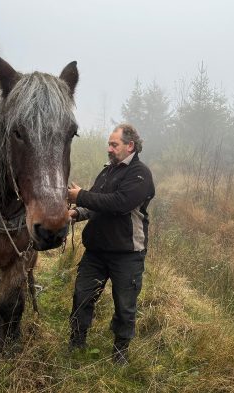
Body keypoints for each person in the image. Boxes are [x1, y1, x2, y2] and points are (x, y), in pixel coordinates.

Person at [67, 123, 155, 364]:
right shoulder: (107, 171)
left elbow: (119, 203)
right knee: (82, 296)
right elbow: (95, 204)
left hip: (127, 254)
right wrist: (75, 213)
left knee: (125, 305)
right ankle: (76, 342)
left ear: (130, 146)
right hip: (96, 251)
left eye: (114, 144)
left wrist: (81, 195)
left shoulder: (140, 174)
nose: (109, 148)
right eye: (109, 144)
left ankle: (120, 352)